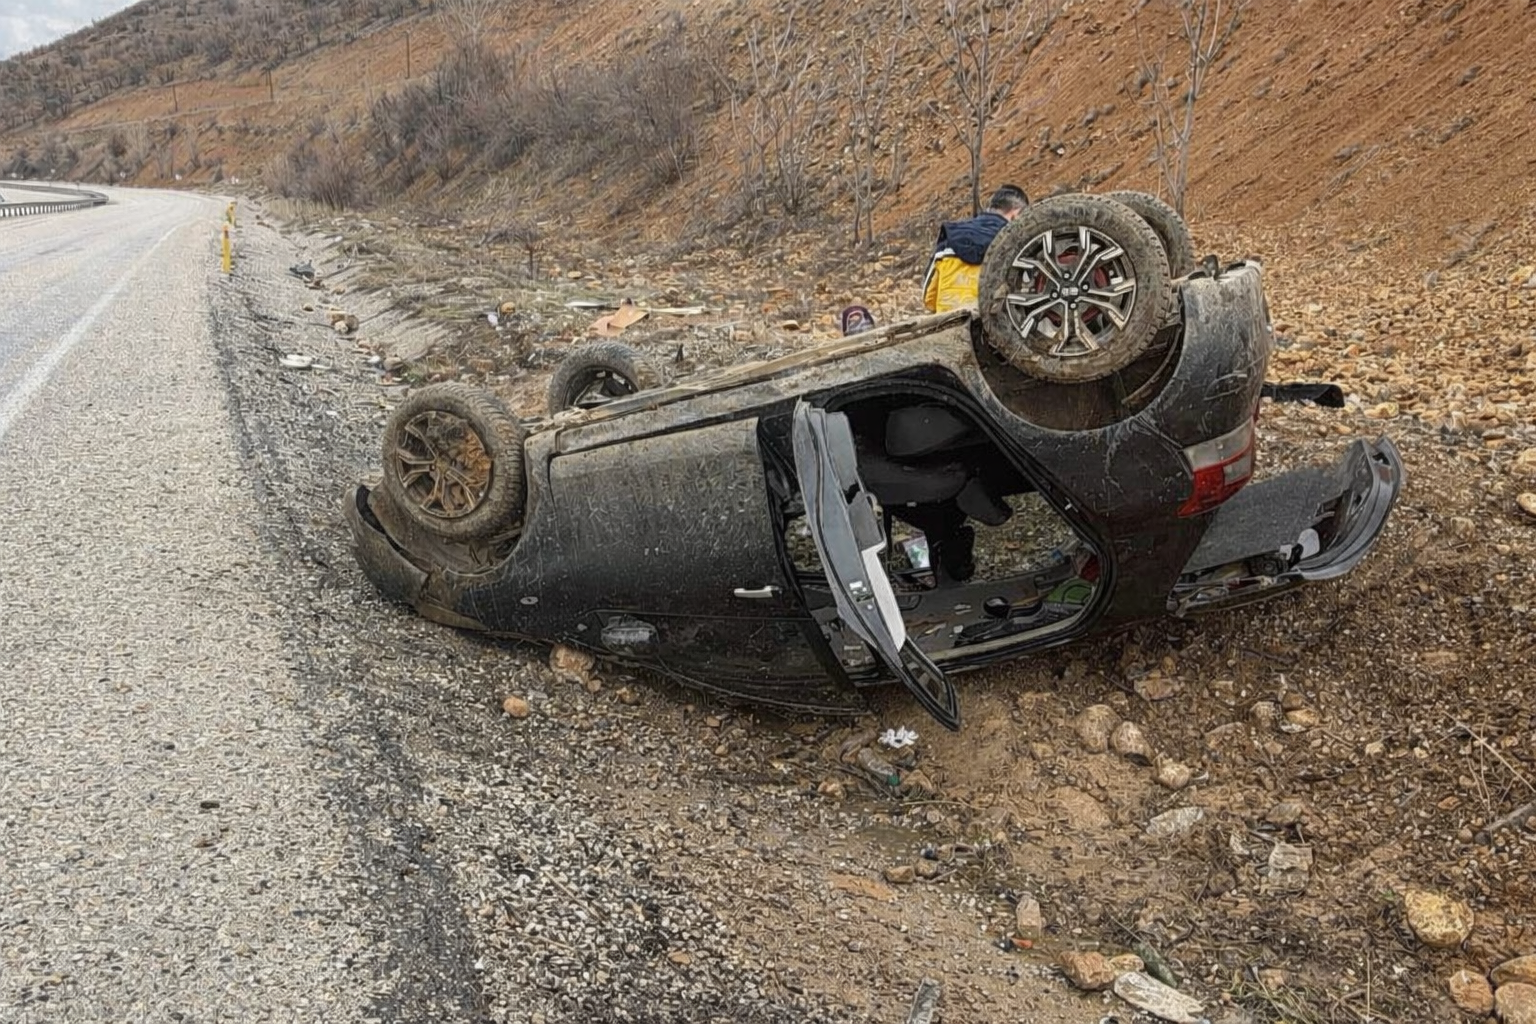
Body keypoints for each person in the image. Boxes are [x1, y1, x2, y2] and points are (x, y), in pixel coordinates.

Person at [921, 184, 1030, 313]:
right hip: (991, 322)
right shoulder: (1012, 242)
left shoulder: (950, 235)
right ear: (1015, 214)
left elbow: (928, 296)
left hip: (948, 320)